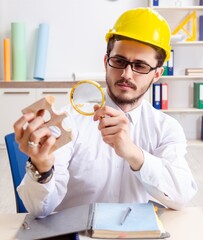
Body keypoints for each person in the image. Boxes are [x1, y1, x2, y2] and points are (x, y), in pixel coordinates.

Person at [14, 7, 197, 218]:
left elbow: (180, 196)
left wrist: (133, 152)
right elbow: (39, 210)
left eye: (140, 66)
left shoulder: (166, 128)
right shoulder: (69, 121)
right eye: (119, 61)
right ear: (105, 62)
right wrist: (43, 169)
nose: (126, 74)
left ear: (157, 74)